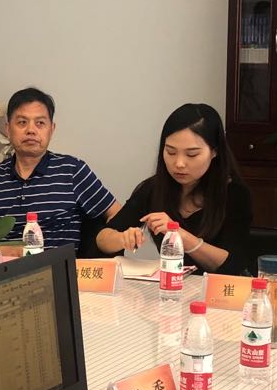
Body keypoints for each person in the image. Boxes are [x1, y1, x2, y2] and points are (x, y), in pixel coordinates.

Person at [96, 103, 252, 274]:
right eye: (170, 152)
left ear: (214, 151)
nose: (179, 163)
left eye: (192, 154)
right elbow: (102, 238)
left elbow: (233, 264)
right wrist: (122, 239)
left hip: (216, 289)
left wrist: (181, 236)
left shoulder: (234, 194)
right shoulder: (153, 189)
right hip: (171, 287)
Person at [0, 87, 120, 249]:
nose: (31, 130)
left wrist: (113, 240)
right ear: (8, 129)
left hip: (59, 264)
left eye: (40, 123)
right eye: (22, 122)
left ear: (51, 129)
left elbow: (116, 212)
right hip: (4, 264)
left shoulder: (72, 170)